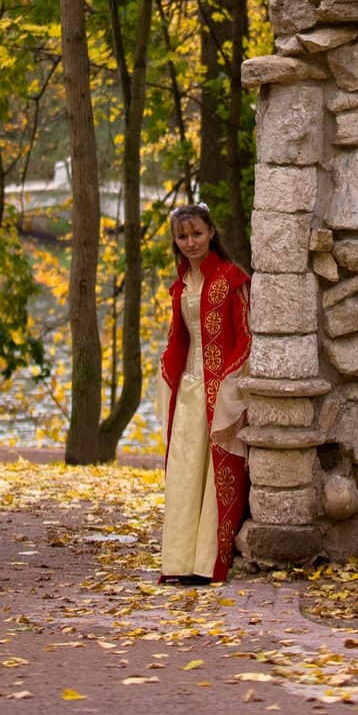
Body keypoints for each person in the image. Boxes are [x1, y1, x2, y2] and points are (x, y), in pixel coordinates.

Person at [156, 202, 251, 585]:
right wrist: (168, 377)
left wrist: (229, 383)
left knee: (215, 474)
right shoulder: (179, 286)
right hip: (189, 390)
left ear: (212, 232)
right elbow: (177, 340)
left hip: (221, 389)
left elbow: (246, 338)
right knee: (184, 472)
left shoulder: (232, 278)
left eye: (197, 233)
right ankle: (178, 561)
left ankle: (207, 561)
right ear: (175, 242)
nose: (190, 241)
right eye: (182, 236)